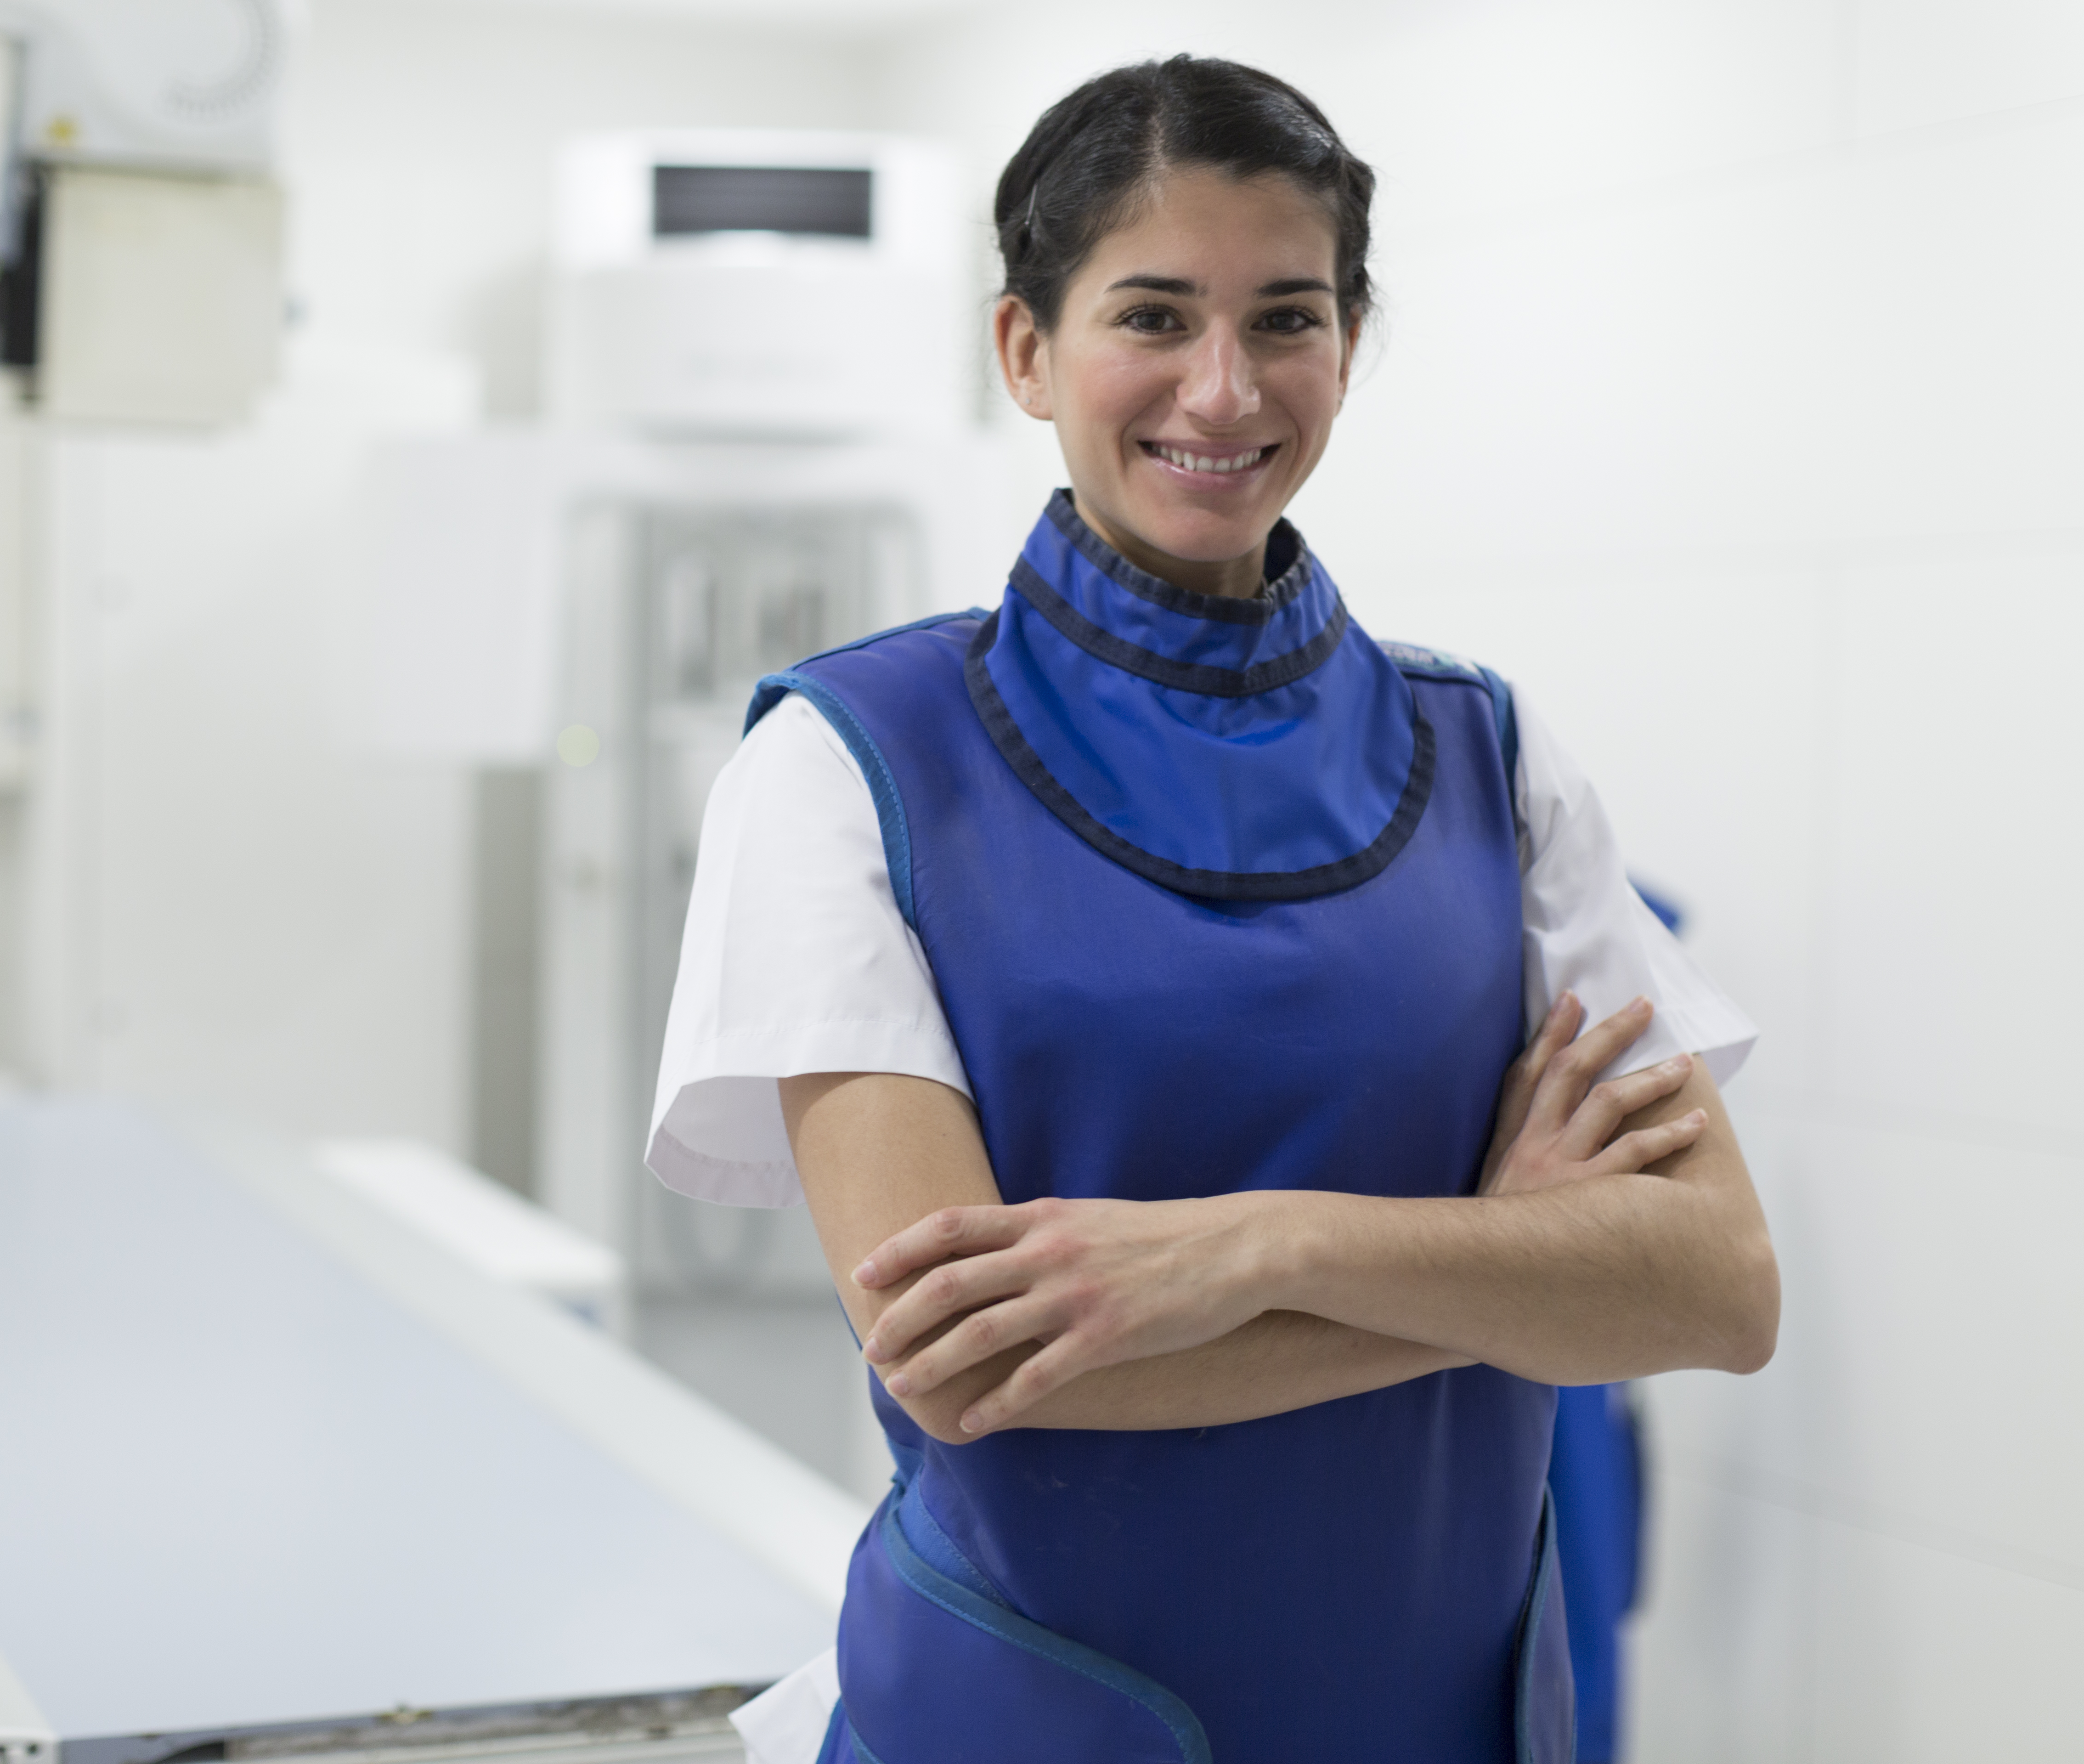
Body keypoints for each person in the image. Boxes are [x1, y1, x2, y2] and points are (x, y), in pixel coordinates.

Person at [646, 56, 1779, 1764]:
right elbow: (973, 1364)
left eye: (1289, 318)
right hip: (1031, 1721)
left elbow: (1714, 1289)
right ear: (1026, 349)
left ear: (1349, 343)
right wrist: (1507, 1264)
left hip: (1449, 1714)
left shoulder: (1483, 750)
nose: (1224, 388)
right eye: (1154, 315)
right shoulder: (852, 762)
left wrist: (1258, 1246)